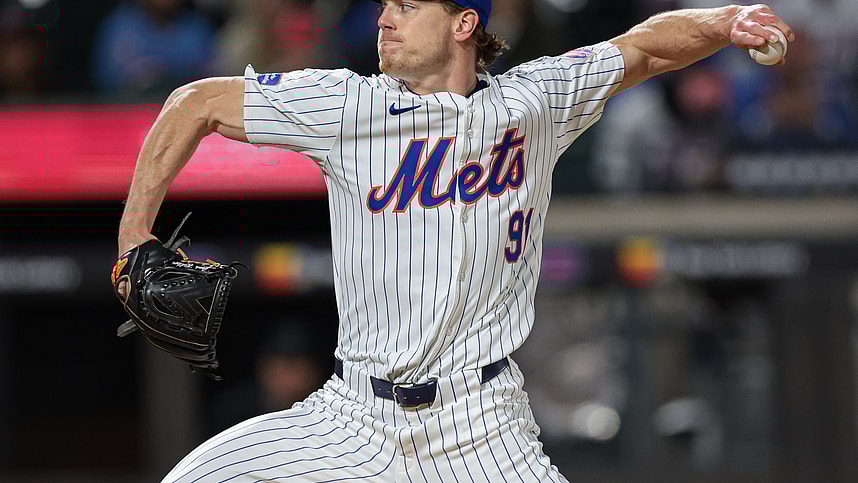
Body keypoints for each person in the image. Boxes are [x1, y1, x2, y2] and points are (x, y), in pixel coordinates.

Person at [115, 1, 793, 480]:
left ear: (464, 22)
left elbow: (645, 45)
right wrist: (133, 239)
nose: (383, 18)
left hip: (482, 426)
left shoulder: (536, 102)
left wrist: (725, 22)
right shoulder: (347, 105)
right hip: (352, 419)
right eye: (385, 4)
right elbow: (194, 103)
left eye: (407, 5)